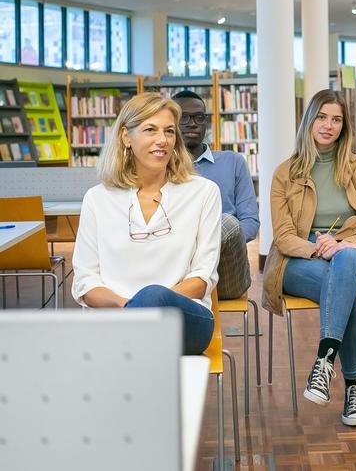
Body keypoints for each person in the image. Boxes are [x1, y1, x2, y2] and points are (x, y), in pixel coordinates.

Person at [72, 93, 221, 356]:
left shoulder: (204, 192)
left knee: (153, 296)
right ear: (126, 137)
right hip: (117, 319)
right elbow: (85, 283)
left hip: (184, 318)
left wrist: (152, 305)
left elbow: (201, 278)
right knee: (144, 314)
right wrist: (130, 307)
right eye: (150, 129)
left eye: (169, 131)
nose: (162, 140)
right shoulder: (97, 199)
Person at [262, 88, 356, 427]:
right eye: (322, 117)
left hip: (355, 253)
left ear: (345, 126)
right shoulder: (286, 173)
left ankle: (324, 360)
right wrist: (317, 248)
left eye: (337, 119)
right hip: (300, 259)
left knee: (346, 263)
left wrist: (343, 244)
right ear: (309, 120)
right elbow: (282, 237)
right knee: (350, 291)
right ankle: (354, 387)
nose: (328, 125)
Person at [174, 90, 258, 299]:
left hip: (225, 271)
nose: (192, 123)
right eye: (183, 117)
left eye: (199, 117)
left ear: (206, 123)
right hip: (176, 271)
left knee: (228, 223)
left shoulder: (233, 162)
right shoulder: (160, 167)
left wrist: (206, 245)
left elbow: (250, 222)